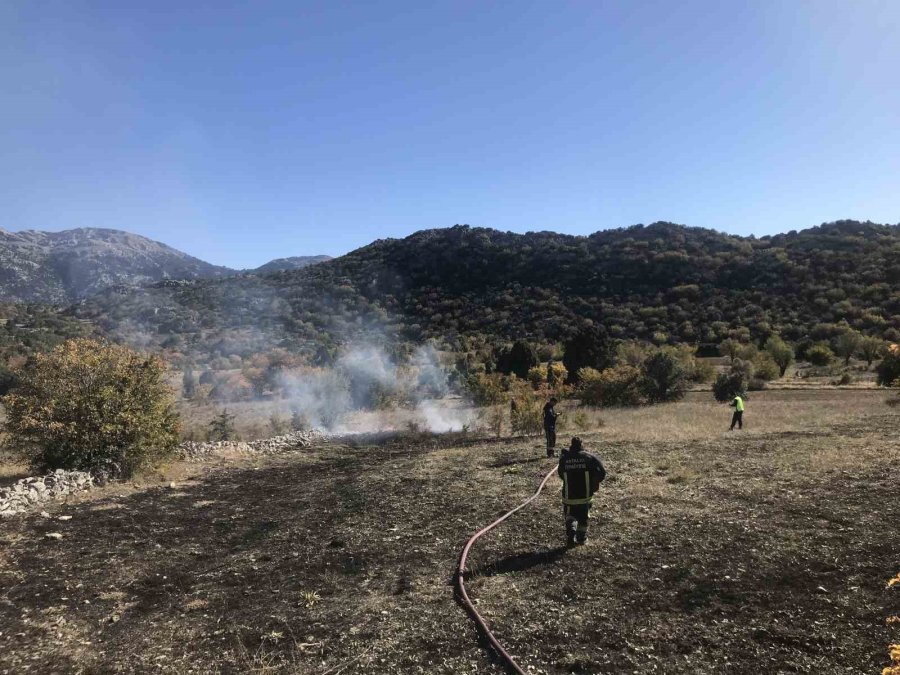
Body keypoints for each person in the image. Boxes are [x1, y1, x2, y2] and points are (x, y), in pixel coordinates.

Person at [558, 437, 606, 546]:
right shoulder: (590, 458)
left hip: (568, 496)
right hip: (585, 496)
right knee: (583, 517)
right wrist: (596, 482)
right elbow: (602, 472)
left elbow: (561, 474)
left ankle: (571, 527)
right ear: (581, 445)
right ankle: (581, 538)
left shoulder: (564, 459)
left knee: (570, 514)